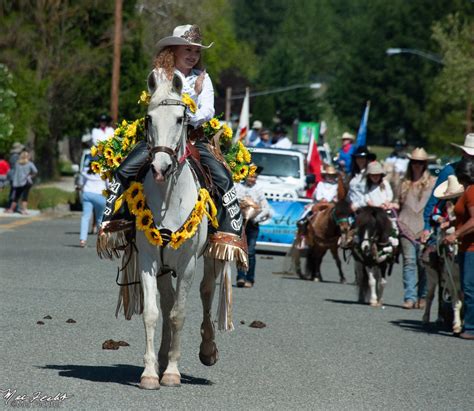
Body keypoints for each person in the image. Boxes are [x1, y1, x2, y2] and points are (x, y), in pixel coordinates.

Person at [99, 24, 247, 267]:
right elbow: (154, 104)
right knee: (125, 169)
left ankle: (227, 231)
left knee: (221, 176)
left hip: (193, 136)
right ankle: (116, 222)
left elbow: (208, 109)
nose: (192, 55)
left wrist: (194, 109)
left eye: (196, 51)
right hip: (160, 138)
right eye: (187, 49)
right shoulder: (160, 75)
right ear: (173, 50)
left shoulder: (203, 78)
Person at [394, 148, 436, 309]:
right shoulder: (403, 183)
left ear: (425, 164)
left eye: (420, 163)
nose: (416, 166)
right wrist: (392, 205)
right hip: (406, 225)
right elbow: (398, 202)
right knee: (409, 262)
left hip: (424, 226)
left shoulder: (432, 183)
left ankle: (423, 295)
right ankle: (410, 297)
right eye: (414, 162)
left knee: (423, 263)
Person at [421, 133, 474, 243]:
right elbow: (435, 199)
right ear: (463, 153)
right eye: (471, 155)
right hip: (454, 225)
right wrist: (427, 226)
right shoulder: (449, 170)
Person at [444, 158, 474, 340]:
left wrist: (456, 234)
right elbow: (465, 218)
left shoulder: (471, 193)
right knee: (466, 286)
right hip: (466, 246)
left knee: (470, 287)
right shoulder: (468, 191)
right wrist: (451, 223)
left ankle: (471, 327)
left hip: (471, 247)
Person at [235, 165, 273, 287]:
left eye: (255, 177)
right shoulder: (238, 187)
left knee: (250, 251)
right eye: (251, 176)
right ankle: (240, 277)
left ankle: (250, 278)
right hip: (240, 224)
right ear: (246, 176)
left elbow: (266, 208)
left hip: (252, 225)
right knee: (241, 250)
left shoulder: (258, 190)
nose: (253, 179)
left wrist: (255, 217)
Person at [78, 154, 107, 247]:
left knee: (85, 217)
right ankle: (102, 241)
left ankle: (83, 240)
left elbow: (80, 183)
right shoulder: (104, 171)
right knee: (100, 219)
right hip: (100, 195)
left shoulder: (85, 171)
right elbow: (109, 185)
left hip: (87, 194)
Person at [4, 150, 38, 215]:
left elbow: (16, 172)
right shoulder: (30, 163)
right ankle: (24, 210)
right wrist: (30, 176)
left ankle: (11, 209)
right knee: (25, 196)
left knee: (16, 196)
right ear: (27, 157)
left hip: (18, 182)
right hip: (26, 182)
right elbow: (35, 171)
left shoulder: (17, 163)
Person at [347, 146, 376, 210]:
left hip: (365, 208)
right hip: (351, 207)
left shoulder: (370, 175)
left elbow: (370, 194)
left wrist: (357, 205)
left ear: (367, 159)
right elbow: (350, 193)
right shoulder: (353, 175)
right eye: (358, 158)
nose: (360, 160)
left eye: (363, 158)